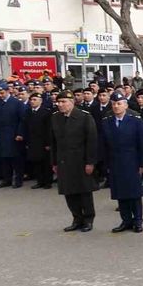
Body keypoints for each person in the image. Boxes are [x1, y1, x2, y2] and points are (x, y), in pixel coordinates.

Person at [99, 92, 143, 233]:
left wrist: (142, 164)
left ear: (125, 105)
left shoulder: (136, 120)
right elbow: (104, 144)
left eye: (119, 103)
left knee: (134, 193)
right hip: (115, 162)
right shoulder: (107, 121)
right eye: (114, 104)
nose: (116, 106)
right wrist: (106, 164)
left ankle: (138, 221)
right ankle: (126, 220)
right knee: (120, 193)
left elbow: (142, 144)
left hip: (132, 162)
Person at [50, 90, 97, 232]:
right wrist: (54, 163)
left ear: (72, 102)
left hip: (80, 161)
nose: (60, 105)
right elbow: (53, 142)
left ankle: (88, 219)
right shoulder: (56, 118)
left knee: (84, 192)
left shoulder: (84, 117)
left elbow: (92, 141)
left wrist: (90, 162)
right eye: (58, 102)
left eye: (63, 102)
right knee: (69, 192)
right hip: (64, 161)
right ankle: (77, 218)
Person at [0, 83, 25, 188]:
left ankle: (18, 180)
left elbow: (22, 120)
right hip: (1, 135)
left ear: (8, 91)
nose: (0, 95)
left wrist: (19, 133)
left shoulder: (16, 103)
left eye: (2, 93)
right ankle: (6, 180)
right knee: (4, 159)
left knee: (16, 159)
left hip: (14, 135)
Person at [23, 93, 53, 189]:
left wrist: (48, 143)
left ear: (40, 101)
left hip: (43, 142)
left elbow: (48, 129)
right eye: (31, 100)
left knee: (45, 163)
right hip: (32, 141)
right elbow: (26, 128)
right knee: (36, 162)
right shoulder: (28, 112)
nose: (32, 101)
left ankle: (47, 182)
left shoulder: (46, 112)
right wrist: (27, 142)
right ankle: (40, 181)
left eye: (35, 100)